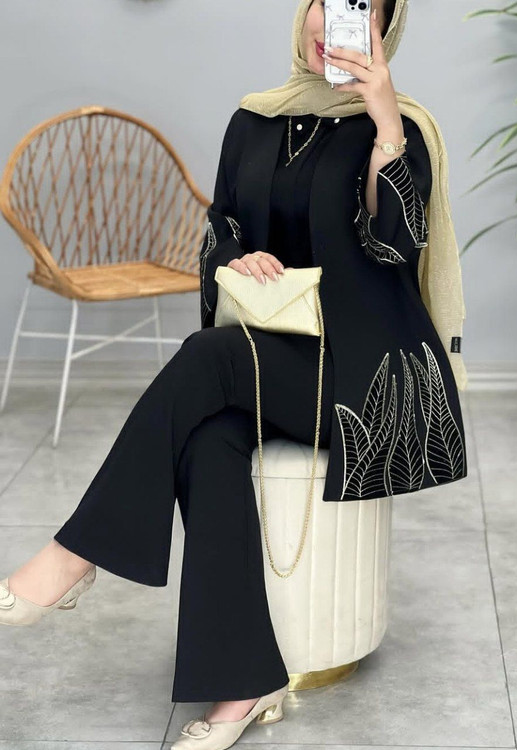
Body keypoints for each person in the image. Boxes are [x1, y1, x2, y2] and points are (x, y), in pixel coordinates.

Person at [0, 0, 468, 748]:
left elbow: (396, 247)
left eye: (359, 9)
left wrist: (384, 122)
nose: (332, 24)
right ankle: (245, 682)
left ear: (383, 30)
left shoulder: (401, 127)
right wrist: (237, 259)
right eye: (325, 2)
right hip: (272, 352)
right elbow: (220, 227)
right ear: (305, 12)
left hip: (362, 373)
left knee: (207, 358)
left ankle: (72, 556)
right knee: (209, 438)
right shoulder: (255, 118)